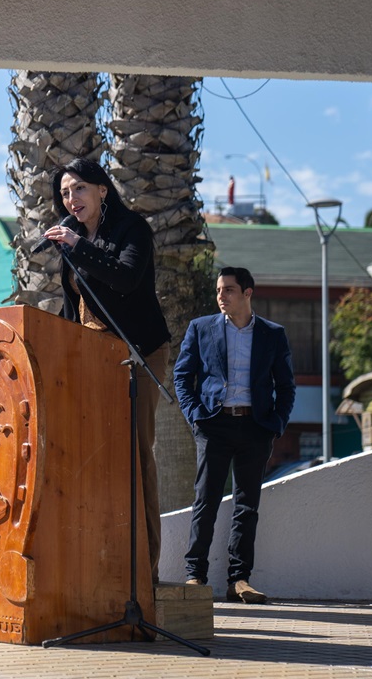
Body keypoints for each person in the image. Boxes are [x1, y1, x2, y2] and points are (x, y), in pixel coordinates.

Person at [41, 158, 171, 582]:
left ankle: (145, 571)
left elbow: (126, 279)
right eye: (64, 193)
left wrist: (79, 248)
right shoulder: (74, 238)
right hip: (92, 354)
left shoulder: (132, 229)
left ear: (102, 190)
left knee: (135, 454)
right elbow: (71, 303)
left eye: (79, 189)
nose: (71, 199)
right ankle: (101, 562)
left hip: (139, 351)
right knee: (92, 452)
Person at [173, 267, 294, 604]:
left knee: (247, 506)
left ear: (247, 293)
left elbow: (285, 386)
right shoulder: (202, 328)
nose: (221, 296)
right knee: (205, 501)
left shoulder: (272, 334)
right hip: (214, 424)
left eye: (228, 290)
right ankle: (195, 574)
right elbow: (183, 377)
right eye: (218, 290)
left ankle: (239, 580)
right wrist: (196, 417)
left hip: (255, 428)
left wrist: (276, 423)